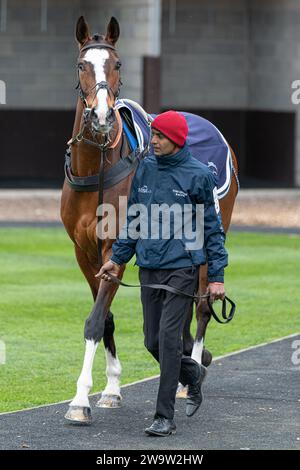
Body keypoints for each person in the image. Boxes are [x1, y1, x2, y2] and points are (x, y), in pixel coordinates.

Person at [97, 110, 228, 437]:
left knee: (170, 340)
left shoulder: (199, 175)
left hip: (182, 268)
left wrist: (216, 277)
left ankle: (164, 416)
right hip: (149, 265)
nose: (152, 140)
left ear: (177, 139)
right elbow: (134, 218)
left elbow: (213, 231)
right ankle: (193, 373)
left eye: (159, 136)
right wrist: (117, 258)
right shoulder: (146, 169)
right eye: (152, 134)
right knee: (152, 340)